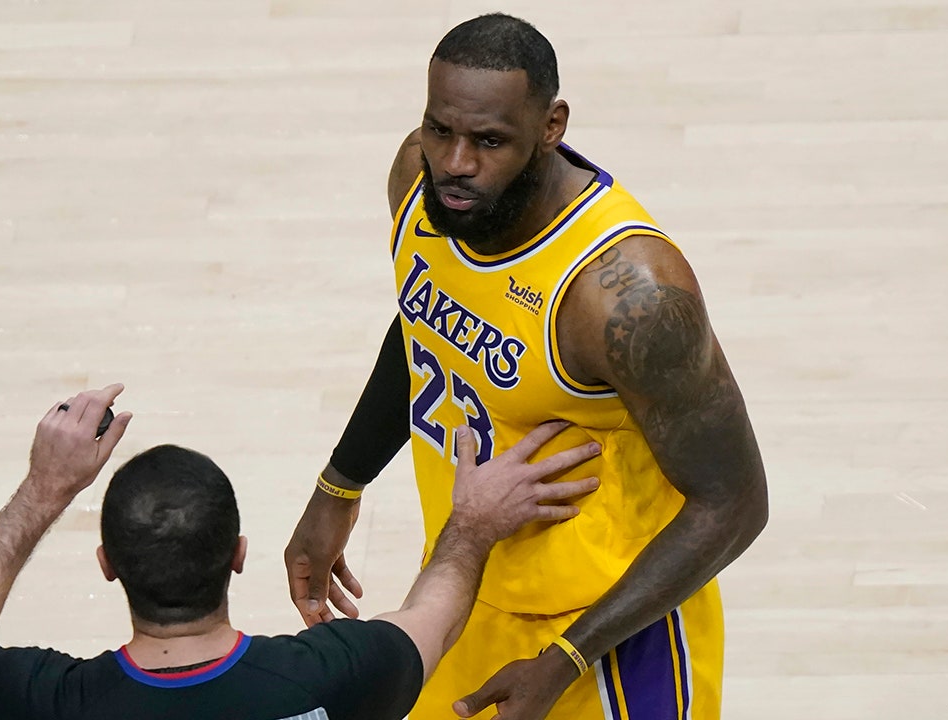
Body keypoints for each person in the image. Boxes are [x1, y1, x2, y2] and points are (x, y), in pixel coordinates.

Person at [284, 13, 769, 720]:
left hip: (610, 637)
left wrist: (564, 660)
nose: (454, 162)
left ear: (551, 126)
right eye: (439, 130)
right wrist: (340, 485)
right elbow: (427, 325)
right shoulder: (422, 189)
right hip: (460, 589)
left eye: (488, 141)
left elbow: (736, 503)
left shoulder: (625, 296)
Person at [0, 384, 602, 719]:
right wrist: (474, 524)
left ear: (107, 565)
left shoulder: (48, 704)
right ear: (237, 555)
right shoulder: (336, 676)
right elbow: (438, 612)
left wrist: (44, 489)